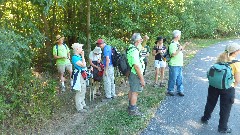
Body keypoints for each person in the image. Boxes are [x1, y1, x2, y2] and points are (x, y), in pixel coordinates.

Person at [201, 43, 240, 133]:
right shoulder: (237, 63)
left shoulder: (220, 58)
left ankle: (205, 118)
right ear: (235, 52)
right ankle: (222, 128)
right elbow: (237, 80)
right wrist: (233, 86)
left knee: (210, 102)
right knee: (225, 108)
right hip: (228, 88)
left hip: (213, 85)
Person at [127, 33, 145, 116]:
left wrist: (145, 40)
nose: (141, 40)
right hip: (135, 74)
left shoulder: (131, 47)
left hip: (131, 73)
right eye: (140, 39)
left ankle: (130, 106)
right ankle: (133, 110)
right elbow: (136, 66)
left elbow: (142, 47)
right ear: (137, 40)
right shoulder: (134, 51)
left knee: (132, 89)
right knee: (135, 92)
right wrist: (141, 79)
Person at [167, 30, 189, 96]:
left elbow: (181, 49)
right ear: (177, 36)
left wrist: (185, 45)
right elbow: (173, 54)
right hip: (174, 64)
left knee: (180, 78)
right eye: (179, 35)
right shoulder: (172, 44)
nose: (180, 36)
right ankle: (170, 90)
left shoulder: (177, 43)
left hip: (179, 64)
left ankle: (180, 90)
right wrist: (179, 49)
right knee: (173, 78)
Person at [71, 43, 89, 113]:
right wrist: (83, 56)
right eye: (81, 48)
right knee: (79, 90)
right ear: (77, 49)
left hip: (82, 75)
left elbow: (84, 65)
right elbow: (83, 65)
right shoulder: (74, 57)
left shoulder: (79, 57)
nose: (82, 49)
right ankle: (79, 107)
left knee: (83, 89)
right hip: (78, 76)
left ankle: (82, 104)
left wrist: (82, 56)